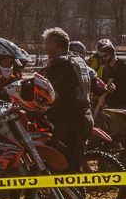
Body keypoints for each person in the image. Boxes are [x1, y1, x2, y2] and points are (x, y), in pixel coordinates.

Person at [40, 28, 93, 168]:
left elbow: (51, 94)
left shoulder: (60, 65)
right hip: (85, 115)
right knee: (75, 160)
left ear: (54, 45)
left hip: (69, 121)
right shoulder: (77, 60)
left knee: (61, 163)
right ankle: (76, 188)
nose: (45, 47)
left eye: (46, 44)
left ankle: (69, 189)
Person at [95, 39, 126, 109]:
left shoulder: (124, 67)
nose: (103, 58)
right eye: (101, 57)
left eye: (105, 56)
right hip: (110, 105)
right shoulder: (106, 69)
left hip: (123, 105)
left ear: (112, 54)